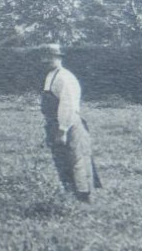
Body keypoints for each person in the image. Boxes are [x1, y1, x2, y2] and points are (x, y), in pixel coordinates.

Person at [40, 43, 101, 202]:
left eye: (51, 57)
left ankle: (85, 197)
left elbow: (68, 106)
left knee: (77, 160)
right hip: (54, 124)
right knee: (62, 161)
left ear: (59, 58)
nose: (47, 61)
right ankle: (70, 194)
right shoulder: (50, 76)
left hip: (69, 124)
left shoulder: (64, 77)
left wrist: (63, 130)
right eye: (44, 57)